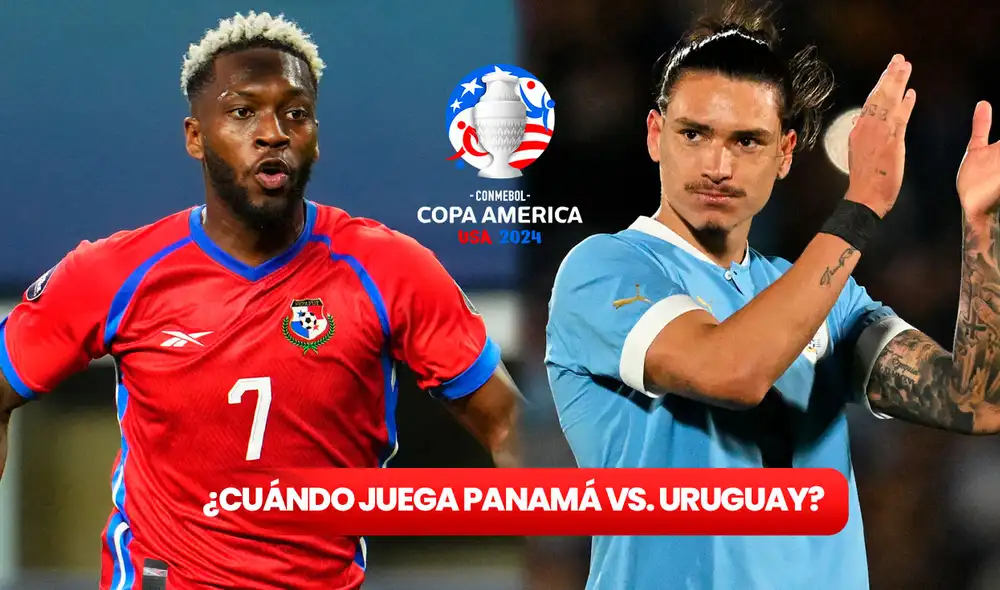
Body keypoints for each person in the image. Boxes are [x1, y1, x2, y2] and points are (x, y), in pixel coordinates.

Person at [0, 11, 521, 590]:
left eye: (294, 113)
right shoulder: (119, 272)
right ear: (196, 137)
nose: (272, 131)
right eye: (243, 112)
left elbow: (508, 425)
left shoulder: (389, 270)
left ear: (316, 137)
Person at [545, 3, 1000, 589]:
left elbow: (975, 402)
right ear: (656, 135)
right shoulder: (603, 269)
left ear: (785, 154)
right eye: (694, 133)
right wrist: (860, 207)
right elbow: (731, 371)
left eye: (747, 142)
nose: (717, 165)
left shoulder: (824, 295)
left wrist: (983, 230)